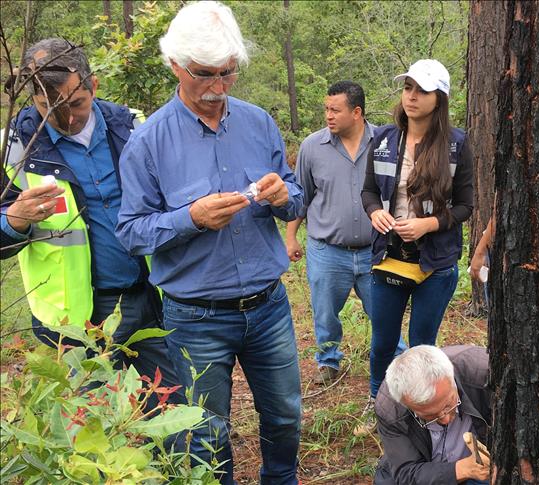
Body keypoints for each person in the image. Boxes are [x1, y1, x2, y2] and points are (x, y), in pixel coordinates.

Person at [115, 2, 304, 483]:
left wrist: (286, 195)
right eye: (204, 75)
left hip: (268, 307)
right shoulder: (149, 142)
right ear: (175, 64)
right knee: (206, 432)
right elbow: (132, 231)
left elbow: (294, 195)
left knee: (284, 415)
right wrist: (190, 218)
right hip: (194, 316)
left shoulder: (259, 122)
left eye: (228, 73)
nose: (218, 89)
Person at [0, 38, 181, 405]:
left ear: (93, 84)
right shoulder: (12, 149)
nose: (67, 118)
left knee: (168, 405)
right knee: (92, 426)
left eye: (76, 103)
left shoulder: (133, 128)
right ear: (32, 99)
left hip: (148, 297)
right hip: (75, 321)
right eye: (48, 108)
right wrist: (14, 220)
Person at [360, 59, 474, 433]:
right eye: (408, 87)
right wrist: (376, 212)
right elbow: (369, 191)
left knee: (423, 346)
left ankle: (423, 413)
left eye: (421, 90)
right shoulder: (383, 140)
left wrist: (428, 223)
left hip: (434, 263)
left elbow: (465, 205)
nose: (411, 96)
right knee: (382, 344)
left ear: (438, 98)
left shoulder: (456, 145)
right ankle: (382, 411)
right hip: (388, 259)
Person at [285, 81, 405, 386]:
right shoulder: (313, 147)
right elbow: (302, 196)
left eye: (335, 110)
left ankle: (400, 362)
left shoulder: (386, 142)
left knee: (384, 310)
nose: (328, 115)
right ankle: (328, 362)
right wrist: (290, 237)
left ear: (357, 112)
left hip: (374, 249)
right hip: (327, 250)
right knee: (325, 313)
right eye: (326, 109)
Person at [375, 345, 491, 485]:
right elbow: (407, 472)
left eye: (449, 405)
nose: (446, 419)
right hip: (429, 471)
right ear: (408, 405)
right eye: (431, 417)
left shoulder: (484, 375)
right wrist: (462, 469)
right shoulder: (390, 409)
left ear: (451, 379)